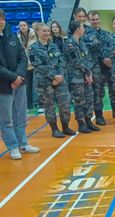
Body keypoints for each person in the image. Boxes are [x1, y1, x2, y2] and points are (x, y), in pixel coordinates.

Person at [0, 9, 40, 160]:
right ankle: (12, 146)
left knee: (21, 115)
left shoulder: (12, 36)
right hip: (4, 86)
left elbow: (23, 57)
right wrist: (13, 78)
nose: (1, 21)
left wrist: (19, 76)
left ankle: (23, 143)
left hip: (20, 83)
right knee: (6, 119)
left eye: (2, 18)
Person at [29, 23, 75, 138]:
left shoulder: (54, 46)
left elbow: (61, 61)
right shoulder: (33, 48)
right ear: (38, 32)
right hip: (44, 82)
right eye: (43, 31)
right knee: (49, 106)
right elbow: (38, 65)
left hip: (60, 80)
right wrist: (53, 77)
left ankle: (65, 127)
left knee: (64, 104)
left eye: (47, 31)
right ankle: (54, 129)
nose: (46, 33)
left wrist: (59, 76)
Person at [65, 20, 97, 134]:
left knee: (89, 97)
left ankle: (88, 120)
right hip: (76, 77)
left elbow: (88, 58)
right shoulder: (69, 43)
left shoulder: (82, 41)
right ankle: (81, 123)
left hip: (86, 75)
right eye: (83, 27)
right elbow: (76, 61)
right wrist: (87, 72)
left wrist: (89, 73)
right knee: (79, 100)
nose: (84, 29)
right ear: (77, 29)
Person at [85, 10, 113, 126]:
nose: (95, 21)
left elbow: (110, 47)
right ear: (89, 20)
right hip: (95, 67)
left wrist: (109, 59)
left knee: (112, 90)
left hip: (108, 67)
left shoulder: (106, 34)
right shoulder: (85, 35)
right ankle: (99, 115)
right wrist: (103, 59)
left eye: (97, 19)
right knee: (97, 92)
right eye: (93, 20)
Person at [17, 21, 37, 110]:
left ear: (28, 26)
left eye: (24, 25)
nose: (22, 27)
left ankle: (39, 104)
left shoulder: (34, 34)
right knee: (27, 85)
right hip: (25, 65)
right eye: (20, 25)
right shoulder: (17, 37)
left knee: (36, 85)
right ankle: (29, 105)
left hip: (35, 64)